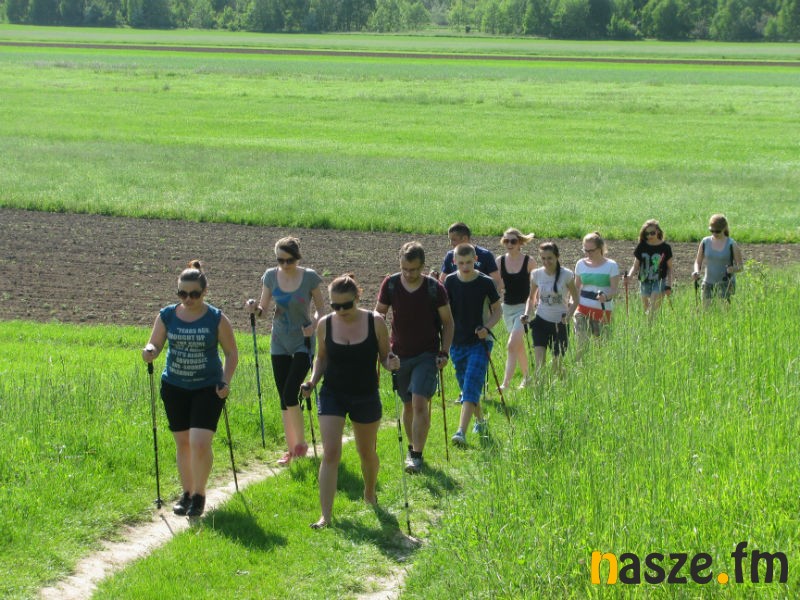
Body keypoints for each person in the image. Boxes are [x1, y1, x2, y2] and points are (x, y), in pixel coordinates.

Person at [301, 274, 399, 529]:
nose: (341, 310)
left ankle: (369, 493)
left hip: (365, 394)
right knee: (331, 452)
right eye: (335, 305)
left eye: (346, 305)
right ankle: (325, 516)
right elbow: (321, 358)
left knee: (366, 452)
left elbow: (385, 357)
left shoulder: (375, 322)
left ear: (358, 298)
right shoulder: (325, 324)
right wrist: (312, 381)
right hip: (332, 393)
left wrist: (391, 363)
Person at [142, 260, 238, 517]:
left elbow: (231, 353)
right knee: (183, 443)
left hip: (208, 387)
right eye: (182, 294)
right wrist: (150, 351)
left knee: (199, 442)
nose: (188, 299)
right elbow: (155, 344)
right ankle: (186, 494)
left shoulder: (216, 318)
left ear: (204, 292)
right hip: (174, 386)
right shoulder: (167, 315)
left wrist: (225, 381)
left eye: (194, 294)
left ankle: (199, 494)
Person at [376, 242, 454, 474]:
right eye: (404, 269)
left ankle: (417, 456)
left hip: (427, 354)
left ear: (423, 266)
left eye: (414, 270)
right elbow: (378, 316)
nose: (409, 274)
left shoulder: (434, 288)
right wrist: (383, 352)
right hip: (399, 354)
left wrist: (444, 352)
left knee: (420, 402)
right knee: (408, 404)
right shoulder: (390, 284)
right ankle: (412, 449)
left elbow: (448, 323)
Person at [246, 237, 325, 466]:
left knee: (291, 393)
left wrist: (314, 325)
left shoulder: (309, 277)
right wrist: (254, 309)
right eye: (280, 260)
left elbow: (321, 309)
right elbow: (263, 310)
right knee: (284, 396)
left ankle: (300, 446)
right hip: (279, 340)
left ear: (297, 258)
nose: (285, 265)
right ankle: (291, 450)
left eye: (289, 260)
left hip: (303, 340)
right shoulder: (270, 276)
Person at [444, 244, 502, 446]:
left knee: (470, 384)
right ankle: (481, 421)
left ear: (475, 260)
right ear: (454, 262)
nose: (465, 266)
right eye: (461, 263)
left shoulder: (486, 282)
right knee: (468, 386)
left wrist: (487, 327)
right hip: (457, 342)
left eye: (469, 262)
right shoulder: (450, 281)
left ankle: (461, 432)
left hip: (480, 342)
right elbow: (444, 311)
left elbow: (498, 310)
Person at [522, 242, 578, 379]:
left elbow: (576, 299)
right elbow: (531, 298)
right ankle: (539, 388)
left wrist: (569, 316)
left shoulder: (567, 274)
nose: (546, 262)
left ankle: (563, 385)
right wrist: (526, 314)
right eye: (543, 258)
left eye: (550, 258)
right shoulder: (536, 274)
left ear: (557, 257)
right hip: (540, 322)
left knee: (556, 366)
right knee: (539, 365)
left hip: (560, 324)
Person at [496, 228, 536, 390]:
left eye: (513, 241)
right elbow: (498, 285)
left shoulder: (529, 262)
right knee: (518, 347)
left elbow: (536, 287)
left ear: (520, 243)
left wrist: (533, 306)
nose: (509, 244)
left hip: (524, 309)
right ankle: (527, 378)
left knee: (511, 345)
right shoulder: (499, 261)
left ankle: (505, 384)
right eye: (506, 241)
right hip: (507, 309)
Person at [574, 232, 620, 359]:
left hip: (603, 310)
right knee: (581, 342)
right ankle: (580, 366)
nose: (588, 254)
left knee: (602, 347)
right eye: (585, 250)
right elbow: (576, 287)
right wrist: (571, 303)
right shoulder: (580, 264)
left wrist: (606, 296)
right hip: (582, 309)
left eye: (591, 251)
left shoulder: (611, 265)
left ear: (600, 248)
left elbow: (615, 289)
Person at [692, 214, 743, 307]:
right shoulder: (705, 242)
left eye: (717, 231)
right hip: (707, 284)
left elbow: (741, 267)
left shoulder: (731, 244)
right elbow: (698, 262)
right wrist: (696, 271)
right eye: (712, 231)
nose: (714, 233)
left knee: (724, 313)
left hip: (726, 285)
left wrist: (733, 269)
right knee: (706, 313)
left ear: (724, 229)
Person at [627, 219, 674, 319]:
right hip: (644, 281)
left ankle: (651, 326)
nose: (649, 236)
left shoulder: (666, 247)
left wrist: (669, 285)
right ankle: (650, 328)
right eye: (647, 234)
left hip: (659, 282)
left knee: (652, 312)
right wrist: (629, 276)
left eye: (652, 233)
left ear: (658, 231)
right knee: (646, 312)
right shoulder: (641, 246)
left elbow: (670, 269)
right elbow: (635, 266)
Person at [436, 222, 501, 289]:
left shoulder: (485, 255)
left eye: (454, 240)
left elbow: (498, 283)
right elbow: (442, 282)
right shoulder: (450, 256)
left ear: (464, 238)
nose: (451, 243)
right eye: (450, 239)